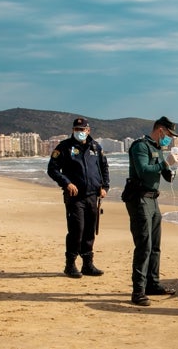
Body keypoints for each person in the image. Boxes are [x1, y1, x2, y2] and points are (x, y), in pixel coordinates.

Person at [124, 116, 178, 307]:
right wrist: (165, 163)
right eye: (168, 134)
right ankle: (138, 291)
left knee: (155, 246)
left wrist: (173, 167)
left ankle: (152, 283)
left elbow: (167, 178)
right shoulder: (140, 146)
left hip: (153, 200)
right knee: (144, 245)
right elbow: (143, 170)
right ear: (160, 130)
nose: (169, 139)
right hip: (139, 199)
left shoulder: (158, 148)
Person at [47, 117, 110, 279]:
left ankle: (87, 264)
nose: (80, 132)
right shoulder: (64, 147)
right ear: (73, 130)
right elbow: (52, 169)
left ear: (88, 130)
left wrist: (105, 187)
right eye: (77, 129)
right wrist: (66, 183)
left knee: (89, 230)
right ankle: (70, 265)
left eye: (82, 130)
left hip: (92, 196)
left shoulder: (95, 147)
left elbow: (104, 167)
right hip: (74, 197)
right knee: (77, 230)